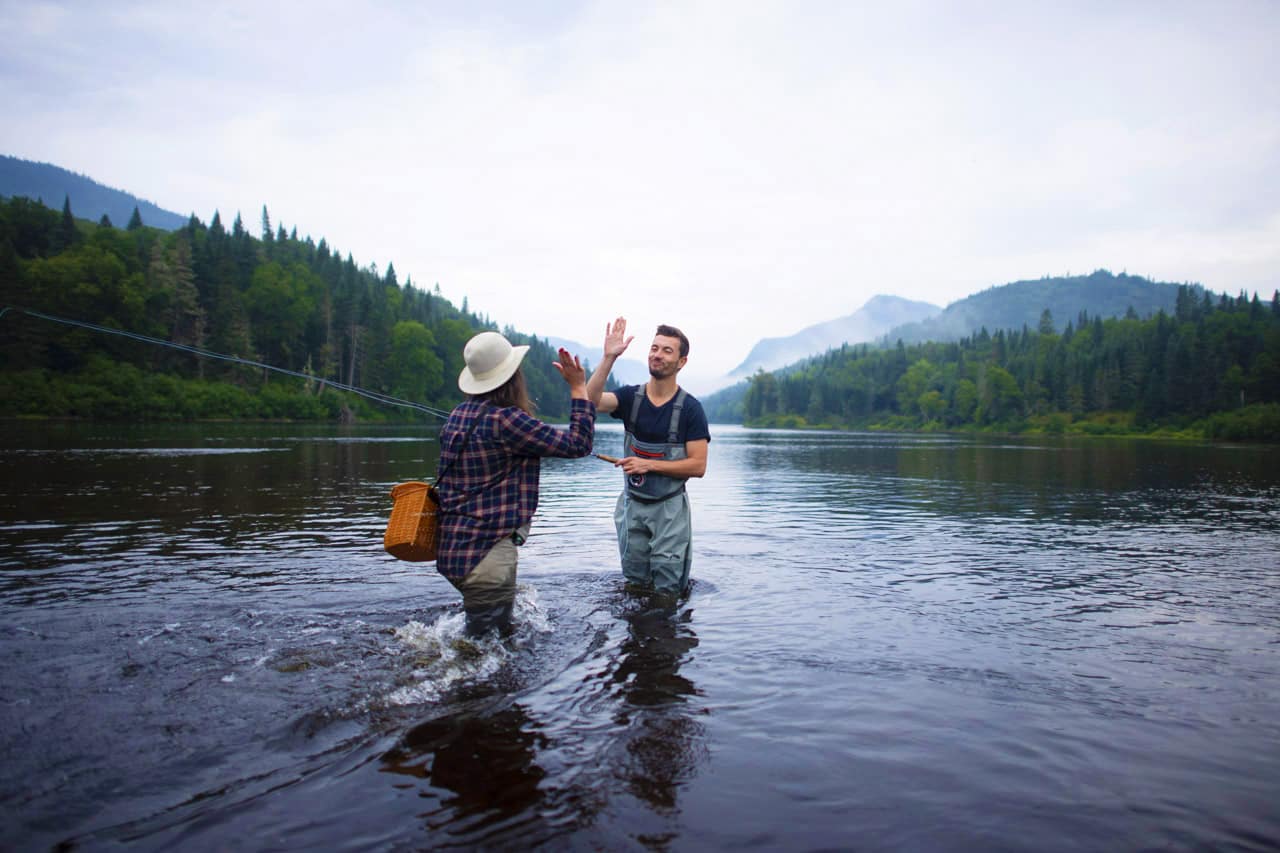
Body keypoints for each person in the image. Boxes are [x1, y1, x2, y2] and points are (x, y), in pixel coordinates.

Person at [435, 331, 595, 637]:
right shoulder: (507, 420)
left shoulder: (457, 415)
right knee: (485, 655)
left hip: (453, 553)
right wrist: (577, 387)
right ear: (512, 377)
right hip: (487, 559)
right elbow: (579, 443)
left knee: (487, 640)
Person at [587, 319, 710, 596]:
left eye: (667, 350)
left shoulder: (691, 409)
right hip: (632, 507)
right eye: (654, 348)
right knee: (634, 586)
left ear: (682, 362)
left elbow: (698, 466)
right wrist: (609, 357)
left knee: (668, 590)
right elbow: (590, 401)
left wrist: (649, 464)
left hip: (669, 510)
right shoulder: (631, 398)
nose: (657, 354)